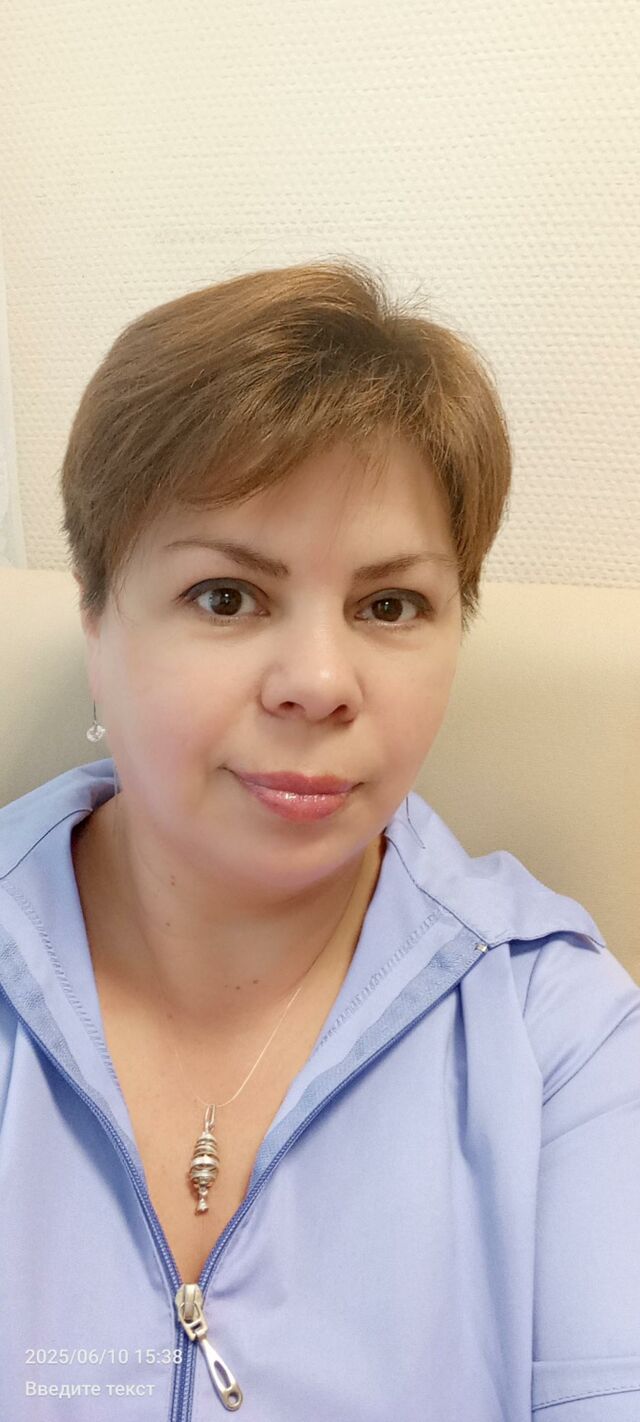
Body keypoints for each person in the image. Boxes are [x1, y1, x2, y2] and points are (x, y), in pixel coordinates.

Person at [0, 258, 638, 1421]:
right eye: (227, 596)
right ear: (96, 621)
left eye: (389, 606)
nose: (318, 682)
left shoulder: (560, 1036)